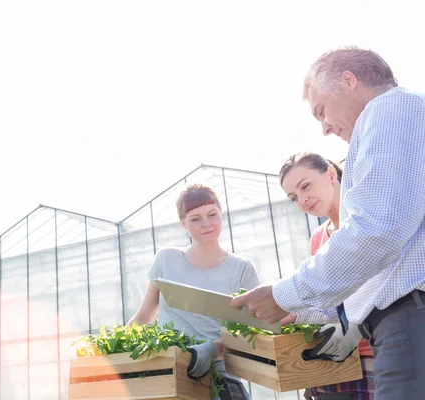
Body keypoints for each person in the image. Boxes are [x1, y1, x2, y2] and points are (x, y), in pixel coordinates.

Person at [230, 46, 425, 399]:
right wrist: (297, 307)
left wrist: (286, 294)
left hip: (411, 318)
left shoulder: (389, 110)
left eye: (322, 111)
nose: (324, 129)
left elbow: (377, 231)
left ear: (349, 81)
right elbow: (382, 263)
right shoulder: (400, 118)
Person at [127, 183, 260, 400]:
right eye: (195, 218)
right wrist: (112, 352)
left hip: (220, 372)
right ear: (183, 224)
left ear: (221, 214)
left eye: (212, 214)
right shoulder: (166, 259)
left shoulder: (241, 268)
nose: (206, 223)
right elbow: (144, 316)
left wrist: (212, 349)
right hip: (169, 366)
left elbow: (253, 332)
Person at [279, 152, 374, 399]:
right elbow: (331, 306)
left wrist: (359, 326)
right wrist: (294, 313)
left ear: (331, 173)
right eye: (293, 198)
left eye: (305, 186)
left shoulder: (367, 220)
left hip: (382, 354)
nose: (302, 200)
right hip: (339, 363)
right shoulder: (319, 238)